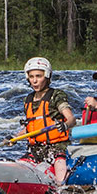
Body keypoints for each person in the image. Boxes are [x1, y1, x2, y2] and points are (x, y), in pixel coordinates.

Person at [20, 56, 77, 184]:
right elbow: (29, 129)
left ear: (47, 77)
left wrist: (65, 125)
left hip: (56, 149)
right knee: (19, 167)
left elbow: (71, 119)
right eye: (31, 77)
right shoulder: (27, 100)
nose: (34, 81)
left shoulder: (56, 96)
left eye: (38, 76)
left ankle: (61, 188)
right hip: (35, 150)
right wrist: (13, 137)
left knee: (60, 178)